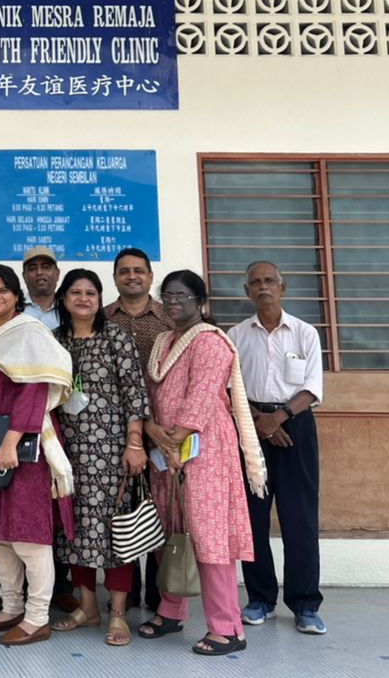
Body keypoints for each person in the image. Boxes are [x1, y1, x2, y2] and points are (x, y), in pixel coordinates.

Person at [138, 270, 266, 657]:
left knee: (209, 538)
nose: (173, 301)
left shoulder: (210, 342)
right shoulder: (164, 340)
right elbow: (150, 390)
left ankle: (227, 629)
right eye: (167, 295)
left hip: (204, 450)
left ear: (200, 302)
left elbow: (201, 397)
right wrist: (154, 432)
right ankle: (171, 610)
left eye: (181, 295)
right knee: (172, 530)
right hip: (166, 450)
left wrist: (172, 437)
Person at [0, 263, 74, 648]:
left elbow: (37, 390)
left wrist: (11, 440)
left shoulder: (30, 334)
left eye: (3, 291)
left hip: (24, 443)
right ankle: (11, 607)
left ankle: (38, 617)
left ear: (16, 295)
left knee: (27, 533)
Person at [50, 269, 150, 647]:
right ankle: (87, 607)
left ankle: (119, 612)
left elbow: (134, 394)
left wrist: (135, 443)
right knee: (74, 531)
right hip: (67, 452)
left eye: (91, 292)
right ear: (63, 298)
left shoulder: (116, 339)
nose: (83, 299)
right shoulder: (56, 342)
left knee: (115, 533)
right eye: (75, 292)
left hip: (111, 454)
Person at [228, 261, 326, 636]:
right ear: (246, 291)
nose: (263, 287)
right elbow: (228, 385)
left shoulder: (304, 333)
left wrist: (279, 418)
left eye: (270, 281)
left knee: (300, 518)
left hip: (295, 427)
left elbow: (313, 387)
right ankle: (260, 599)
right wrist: (259, 422)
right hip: (250, 427)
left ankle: (304, 604)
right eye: (255, 282)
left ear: (283, 287)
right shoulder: (236, 335)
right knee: (252, 519)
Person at [104, 246, 172, 612]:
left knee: (160, 506)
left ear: (150, 276)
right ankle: (125, 592)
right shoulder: (101, 319)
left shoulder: (168, 321)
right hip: (116, 431)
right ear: (115, 277)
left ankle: (160, 594)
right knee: (124, 507)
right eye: (124, 271)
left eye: (139, 271)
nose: (132, 276)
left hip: (163, 431)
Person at [22, 247, 61, 331]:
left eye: (46, 267)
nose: (39, 272)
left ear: (57, 274)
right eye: (32, 268)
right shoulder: (14, 309)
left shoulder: (70, 308)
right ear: (24, 276)